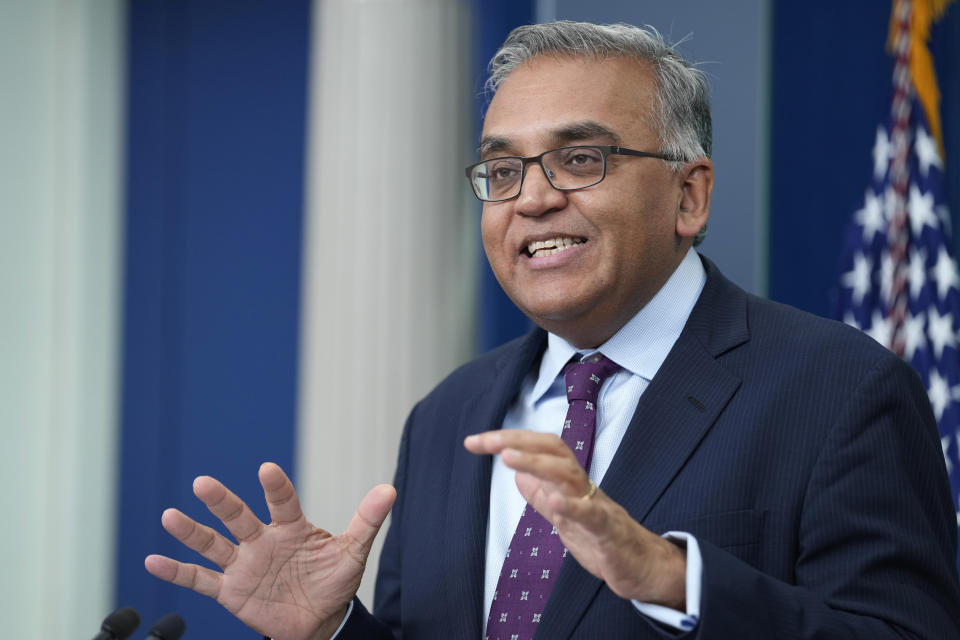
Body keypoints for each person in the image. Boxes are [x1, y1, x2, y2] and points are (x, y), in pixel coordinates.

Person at [144, 21, 960, 639]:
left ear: (690, 197)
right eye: (503, 171)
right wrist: (334, 630)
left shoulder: (838, 390)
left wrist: (675, 579)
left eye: (580, 160)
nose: (531, 198)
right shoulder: (449, 415)